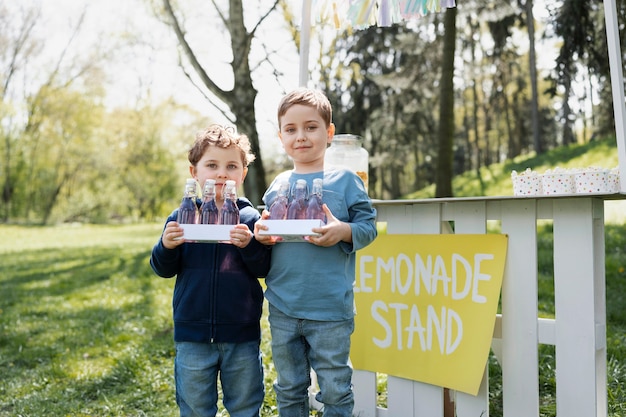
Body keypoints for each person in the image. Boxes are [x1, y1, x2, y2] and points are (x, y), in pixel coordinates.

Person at [254, 88, 378, 417]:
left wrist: (343, 231)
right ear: (281, 137)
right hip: (283, 305)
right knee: (289, 386)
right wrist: (263, 236)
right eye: (291, 130)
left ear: (329, 132)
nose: (301, 136)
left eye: (311, 127)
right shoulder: (277, 186)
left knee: (336, 388)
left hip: (330, 310)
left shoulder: (347, 181)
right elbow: (266, 236)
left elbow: (369, 228)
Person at [150, 124, 270, 417]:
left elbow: (265, 267)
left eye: (231, 166)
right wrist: (167, 246)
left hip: (240, 333)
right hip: (193, 333)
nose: (221, 173)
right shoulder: (182, 216)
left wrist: (250, 246)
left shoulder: (249, 217)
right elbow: (162, 269)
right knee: (195, 407)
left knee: (244, 405)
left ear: (242, 174)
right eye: (212, 165)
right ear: (195, 172)